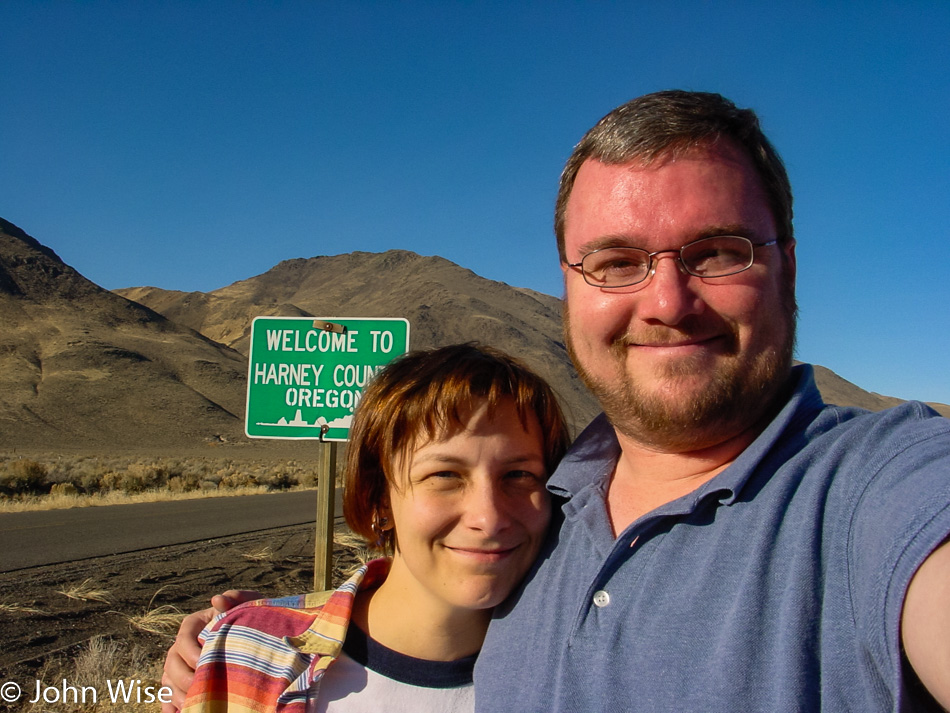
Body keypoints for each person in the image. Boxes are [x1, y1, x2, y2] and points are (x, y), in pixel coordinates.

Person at [167, 91, 950, 712]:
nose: (669, 301)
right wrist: (249, 632)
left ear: (786, 268)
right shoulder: (554, 502)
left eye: (718, 252)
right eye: (618, 261)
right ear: (568, 288)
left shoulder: (876, 489)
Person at [178, 343, 569, 712]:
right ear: (380, 500)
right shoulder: (250, 651)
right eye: (444, 475)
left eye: (520, 474)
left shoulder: (581, 677)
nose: (489, 517)